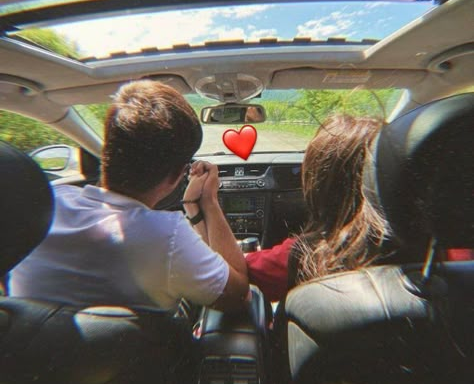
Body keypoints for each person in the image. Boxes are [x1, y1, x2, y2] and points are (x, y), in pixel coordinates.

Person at [9, 80, 249, 312]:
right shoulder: (167, 236)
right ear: (178, 174)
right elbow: (239, 295)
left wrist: (193, 208)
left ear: (107, 151)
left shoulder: (44, 205)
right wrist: (209, 202)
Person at [246, 114, 389, 301]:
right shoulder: (431, 251)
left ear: (319, 184)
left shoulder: (304, 254)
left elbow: (233, 278)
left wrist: (205, 207)